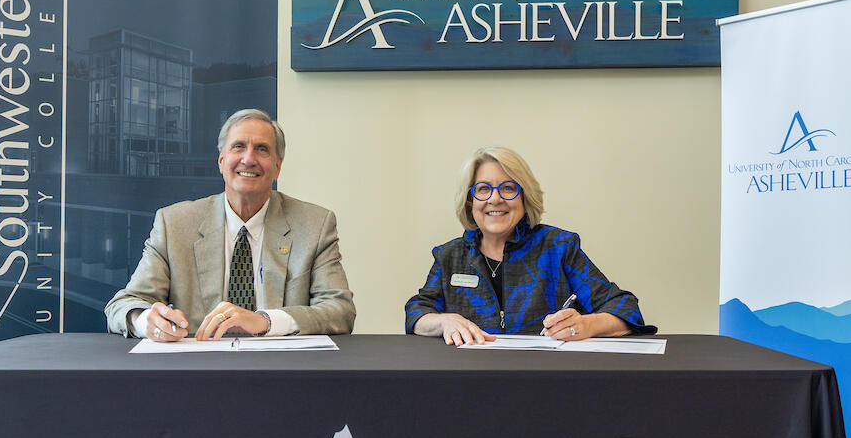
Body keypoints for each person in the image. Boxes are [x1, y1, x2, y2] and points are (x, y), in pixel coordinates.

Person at [105, 109, 355, 341]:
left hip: (281, 374)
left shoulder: (315, 225)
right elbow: (124, 304)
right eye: (238, 147)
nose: (249, 158)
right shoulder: (174, 224)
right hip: (196, 374)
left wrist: (266, 321)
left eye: (262, 149)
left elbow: (340, 311)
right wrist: (146, 321)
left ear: (277, 167)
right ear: (221, 161)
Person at [405, 146, 655, 345]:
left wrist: (585, 325)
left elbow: (626, 309)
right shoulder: (450, 256)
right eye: (483, 189)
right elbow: (416, 312)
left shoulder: (558, 248)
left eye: (508, 188)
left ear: (525, 198)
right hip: (470, 384)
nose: (495, 198)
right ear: (470, 201)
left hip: (547, 384)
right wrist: (443, 321)